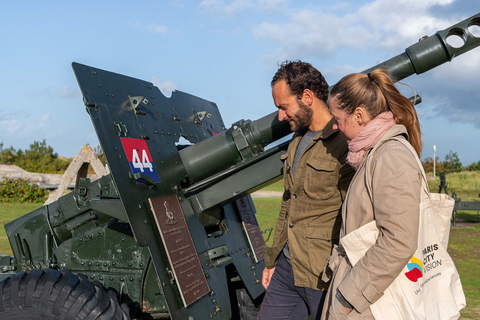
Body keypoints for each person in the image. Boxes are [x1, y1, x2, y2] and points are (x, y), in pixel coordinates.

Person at [321, 68, 423, 319]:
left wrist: (347, 299)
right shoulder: (372, 154)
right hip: (364, 295)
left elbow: (398, 242)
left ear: (359, 115)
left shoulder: (391, 156)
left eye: (336, 118)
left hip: (368, 303)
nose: (334, 125)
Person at [258, 61, 354, 320]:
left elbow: (356, 217)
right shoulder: (297, 140)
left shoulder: (344, 142)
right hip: (288, 268)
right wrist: (272, 260)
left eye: (283, 107)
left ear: (308, 97)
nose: (280, 116)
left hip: (324, 273)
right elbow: (289, 203)